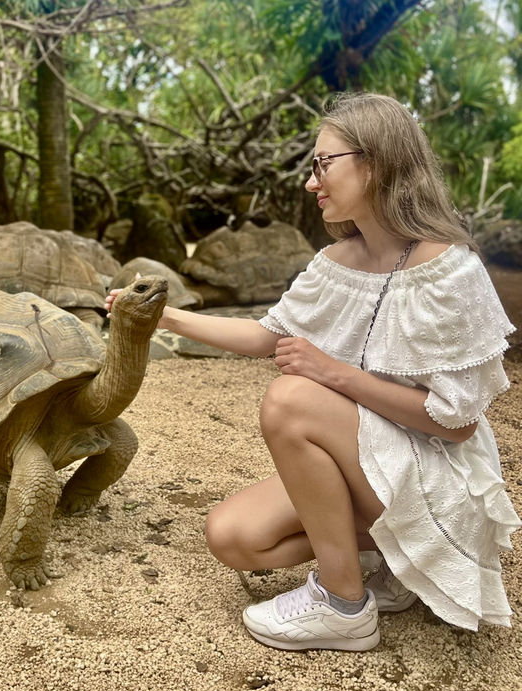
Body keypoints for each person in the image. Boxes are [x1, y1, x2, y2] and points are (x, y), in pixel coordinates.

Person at [105, 92, 521, 652]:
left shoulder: (449, 270)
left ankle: (344, 604)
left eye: (324, 163)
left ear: (373, 164)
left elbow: (456, 425)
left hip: (437, 475)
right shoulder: (337, 264)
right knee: (234, 537)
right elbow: (263, 335)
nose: (311, 180)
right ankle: (390, 566)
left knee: (291, 398)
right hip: (370, 462)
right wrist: (158, 316)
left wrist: (332, 373)